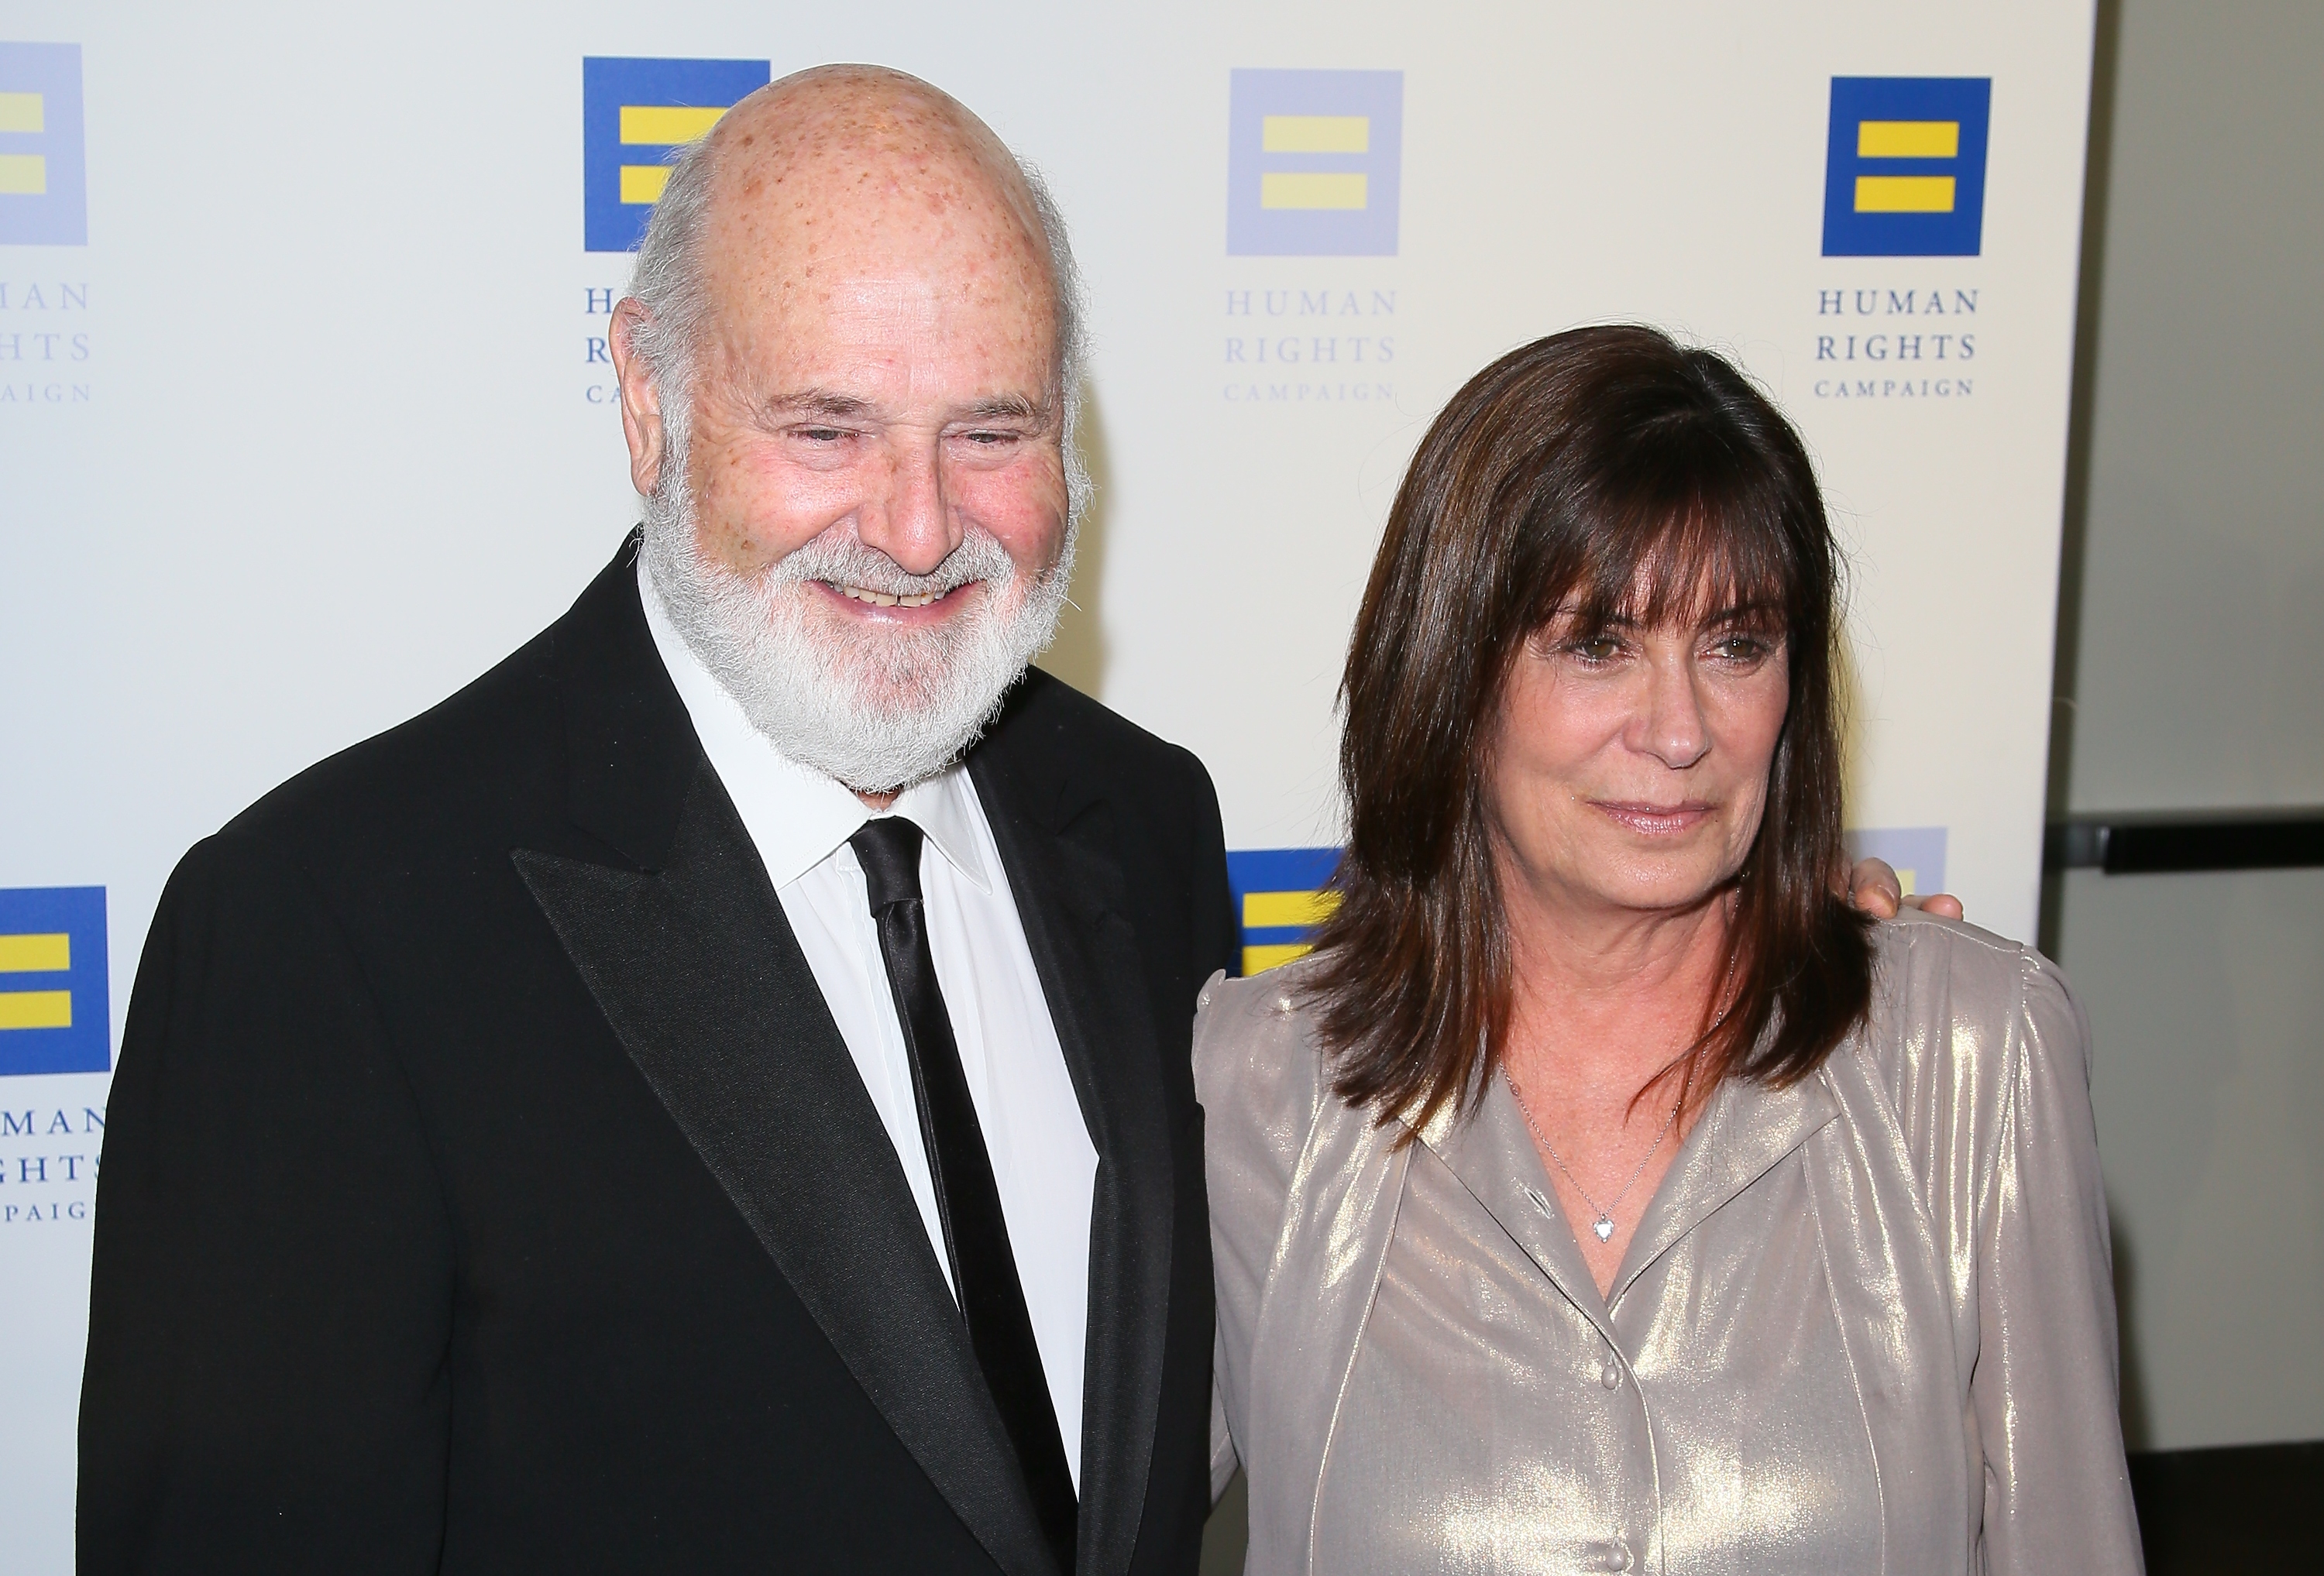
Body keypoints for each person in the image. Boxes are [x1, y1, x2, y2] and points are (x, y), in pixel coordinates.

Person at [78, 67, 1227, 1575]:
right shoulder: (330, 933)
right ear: (646, 398)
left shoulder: (1144, 820)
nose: (918, 528)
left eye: (991, 433)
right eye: (828, 429)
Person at [1196, 326, 2141, 1574]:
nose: (1682, 727)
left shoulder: (1971, 1057)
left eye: (1738, 643)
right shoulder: (1260, 1091)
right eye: (1599, 643)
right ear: (1451, 677)